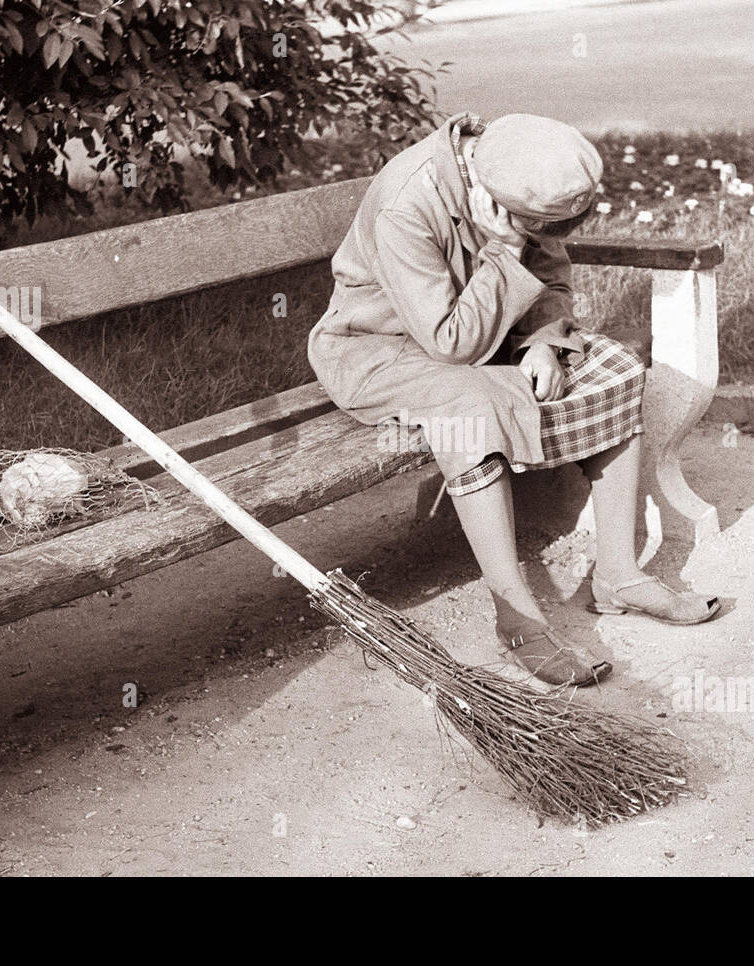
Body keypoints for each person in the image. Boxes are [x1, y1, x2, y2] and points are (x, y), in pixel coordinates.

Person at [308, 113, 719, 688]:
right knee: (471, 416)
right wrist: (503, 250)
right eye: (532, 227)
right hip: (384, 352)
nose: (539, 236)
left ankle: (618, 576)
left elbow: (550, 281)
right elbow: (451, 344)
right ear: (491, 198)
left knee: (613, 370)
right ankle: (517, 618)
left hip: (485, 334)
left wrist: (544, 341)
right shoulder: (408, 202)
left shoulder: (518, 162)